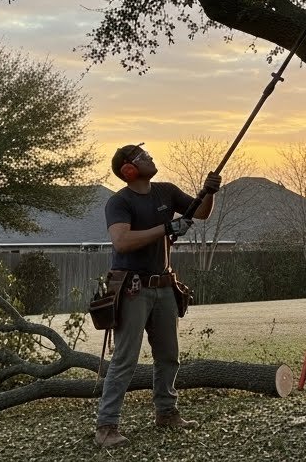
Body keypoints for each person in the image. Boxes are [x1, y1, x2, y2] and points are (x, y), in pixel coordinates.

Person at [94, 142, 220, 449]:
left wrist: (210, 191)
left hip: (164, 286)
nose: (151, 158)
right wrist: (167, 228)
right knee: (125, 359)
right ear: (129, 169)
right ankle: (106, 426)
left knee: (168, 355)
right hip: (132, 288)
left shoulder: (166, 191)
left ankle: (166, 412)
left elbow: (200, 213)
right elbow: (121, 241)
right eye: (144, 156)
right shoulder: (119, 202)